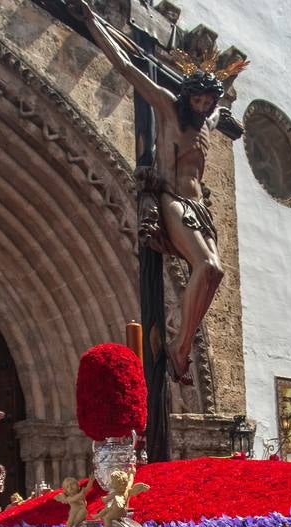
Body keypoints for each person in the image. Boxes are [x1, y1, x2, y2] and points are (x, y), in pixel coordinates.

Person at [81, 0, 235, 383]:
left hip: (200, 207)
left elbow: (222, 112)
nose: (202, 106)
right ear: (186, 95)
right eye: (197, 99)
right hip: (173, 200)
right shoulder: (168, 107)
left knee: (216, 275)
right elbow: (129, 68)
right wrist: (94, 24)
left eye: (208, 101)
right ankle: (180, 347)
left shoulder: (207, 121)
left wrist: (230, 100)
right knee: (208, 266)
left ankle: (181, 344)